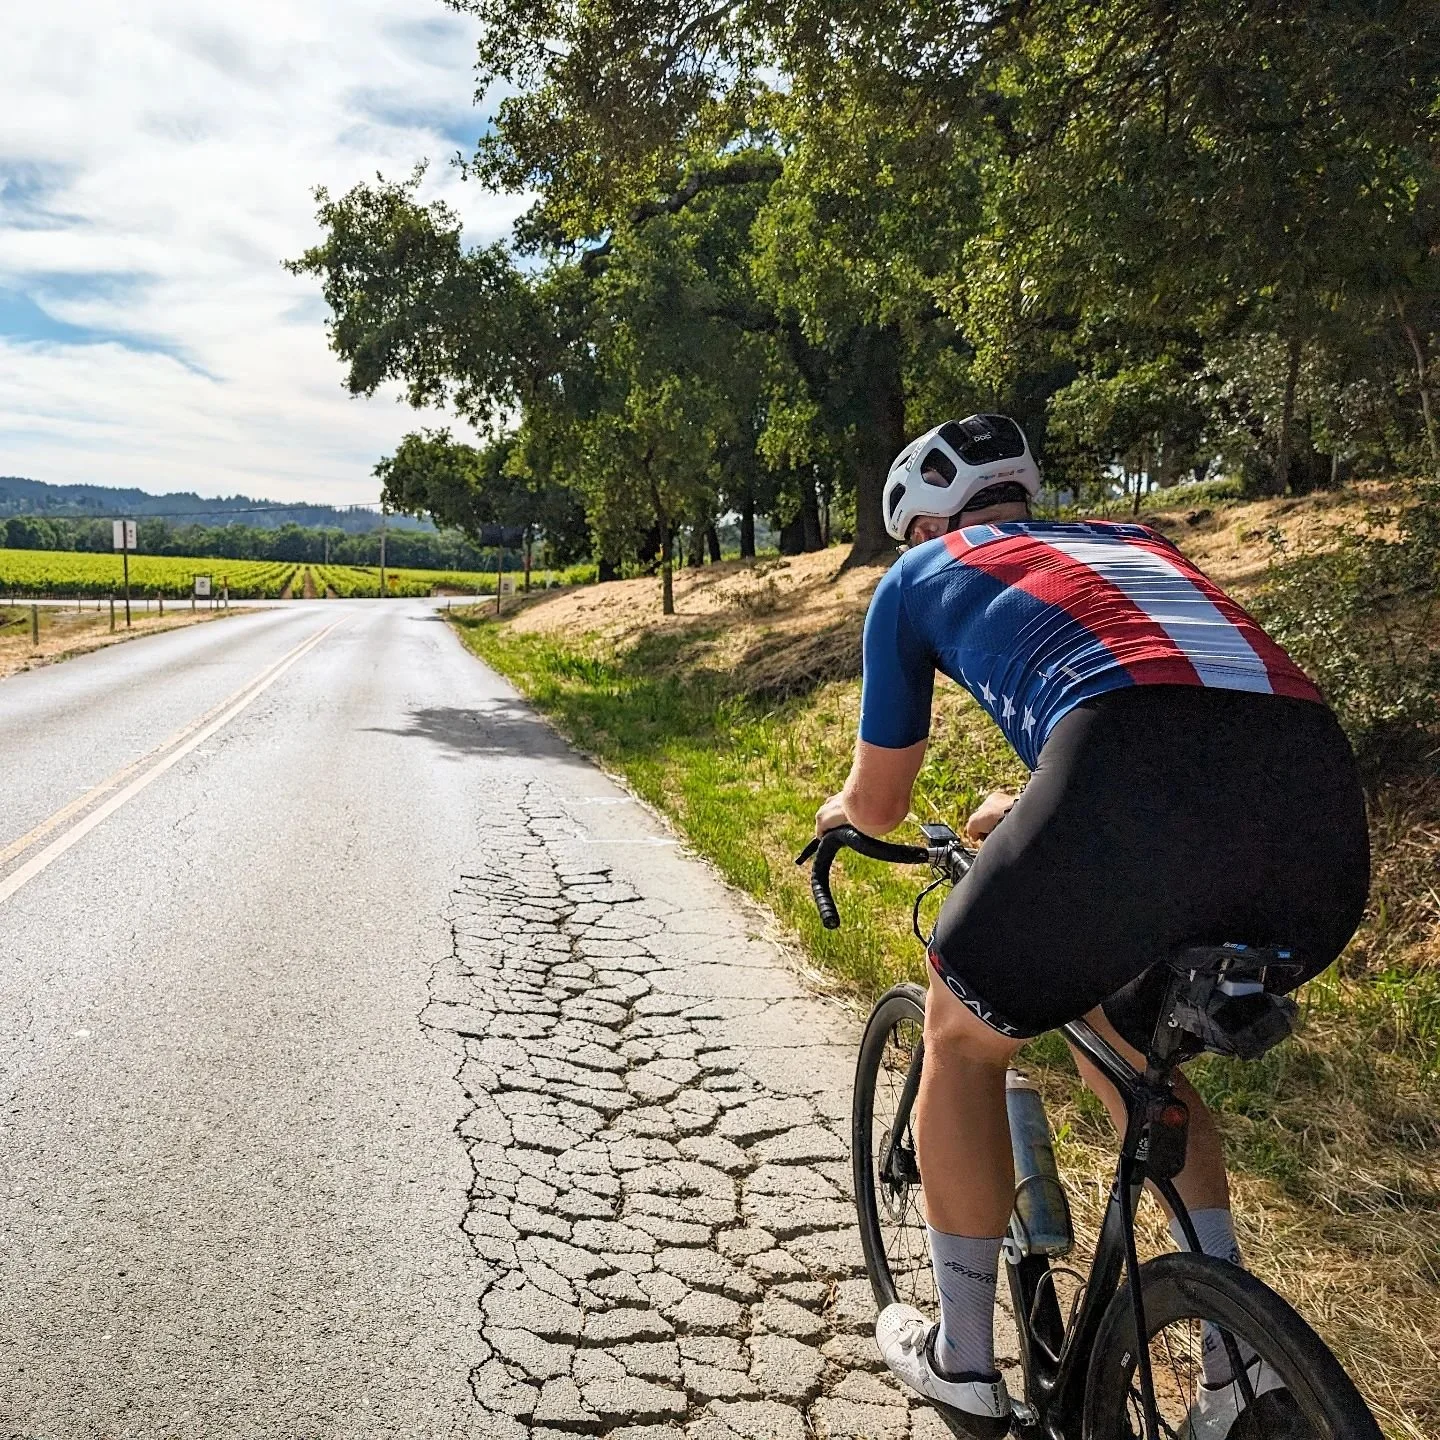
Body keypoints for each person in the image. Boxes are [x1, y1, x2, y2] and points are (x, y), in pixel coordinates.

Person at [815, 415, 1370, 1439]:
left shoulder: (919, 576)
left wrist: (839, 817)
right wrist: (1035, 805)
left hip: (1122, 783)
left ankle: (965, 1363)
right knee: (1129, 1049)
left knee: (960, 1036)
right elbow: (1164, 694)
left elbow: (883, 803)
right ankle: (1234, 1365)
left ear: (922, 522)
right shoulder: (1138, 543)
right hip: (1320, 818)